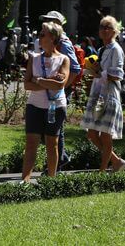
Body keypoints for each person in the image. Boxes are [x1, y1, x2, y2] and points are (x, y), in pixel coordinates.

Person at [21, 21, 69, 181]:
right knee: (31, 143)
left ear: (53, 38)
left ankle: (51, 180)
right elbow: (27, 84)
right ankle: (25, 180)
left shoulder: (63, 59)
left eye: (42, 34)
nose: (39, 37)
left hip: (55, 106)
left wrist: (39, 80)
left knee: (52, 143)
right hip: (34, 105)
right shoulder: (34, 58)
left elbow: (60, 84)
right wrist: (49, 81)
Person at [79, 16, 125, 172]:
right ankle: (116, 161)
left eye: (108, 27)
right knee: (92, 134)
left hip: (110, 96)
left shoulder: (116, 49)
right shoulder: (101, 49)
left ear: (115, 31)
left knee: (105, 136)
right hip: (98, 95)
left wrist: (99, 71)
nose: (105, 30)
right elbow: (100, 72)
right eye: (102, 27)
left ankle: (102, 171)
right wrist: (92, 71)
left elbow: (118, 74)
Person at [38, 11, 81, 170]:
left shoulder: (64, 43)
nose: (45, 24)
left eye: (49, 21)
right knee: (48, 126)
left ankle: (58, 161)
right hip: (49, 91)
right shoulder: (49, 40)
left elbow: (75, 69)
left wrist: (62, 88)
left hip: (58, 92)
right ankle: (60, 158)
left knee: (55, 127)